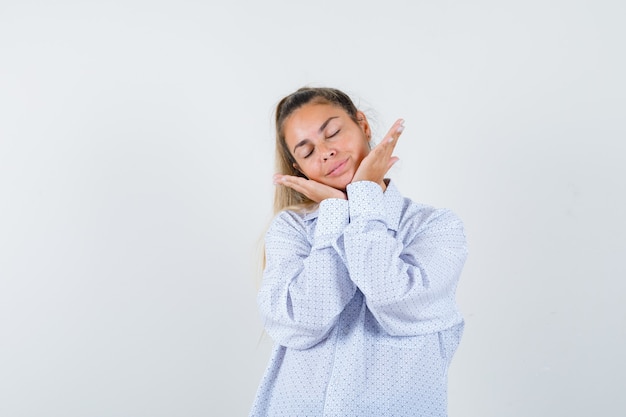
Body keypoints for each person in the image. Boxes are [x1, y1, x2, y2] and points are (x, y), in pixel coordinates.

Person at [249, 87, 467, 416]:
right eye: (307, 152)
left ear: (362, 125)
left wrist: (363, 197)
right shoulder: (292, 229)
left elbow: (393, 298)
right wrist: (336, 213)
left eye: (333, 133)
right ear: (298, 169)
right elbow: (304, 321)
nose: (325, 153)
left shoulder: (435, 226)